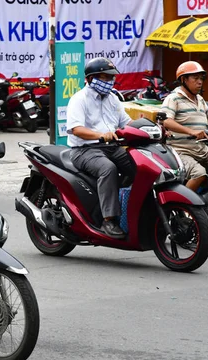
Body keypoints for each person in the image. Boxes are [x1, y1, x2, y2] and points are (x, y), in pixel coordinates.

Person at [66, 57, 137, 239]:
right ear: (90, 78)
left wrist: (145, 126)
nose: (109, 82)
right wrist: (100, 135)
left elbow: (126, 123)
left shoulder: (113, 99)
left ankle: (127, 205)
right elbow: (77, 129)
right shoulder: (79, 99)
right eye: (104, 77)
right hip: (84, 150)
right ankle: (109, 220)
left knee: (138, 165)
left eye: (110, 78)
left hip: (111, 147)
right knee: (108, 169)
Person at [161, 61, 208, 192]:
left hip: (201, 149)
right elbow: (166, 121)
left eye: (201, 78)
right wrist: (192, 132)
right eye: (195, 78)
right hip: (181, 151)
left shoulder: (200, 99)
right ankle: (182, 209)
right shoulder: (173, 98)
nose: (200, 82)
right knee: (199, 174)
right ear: (184, 80)